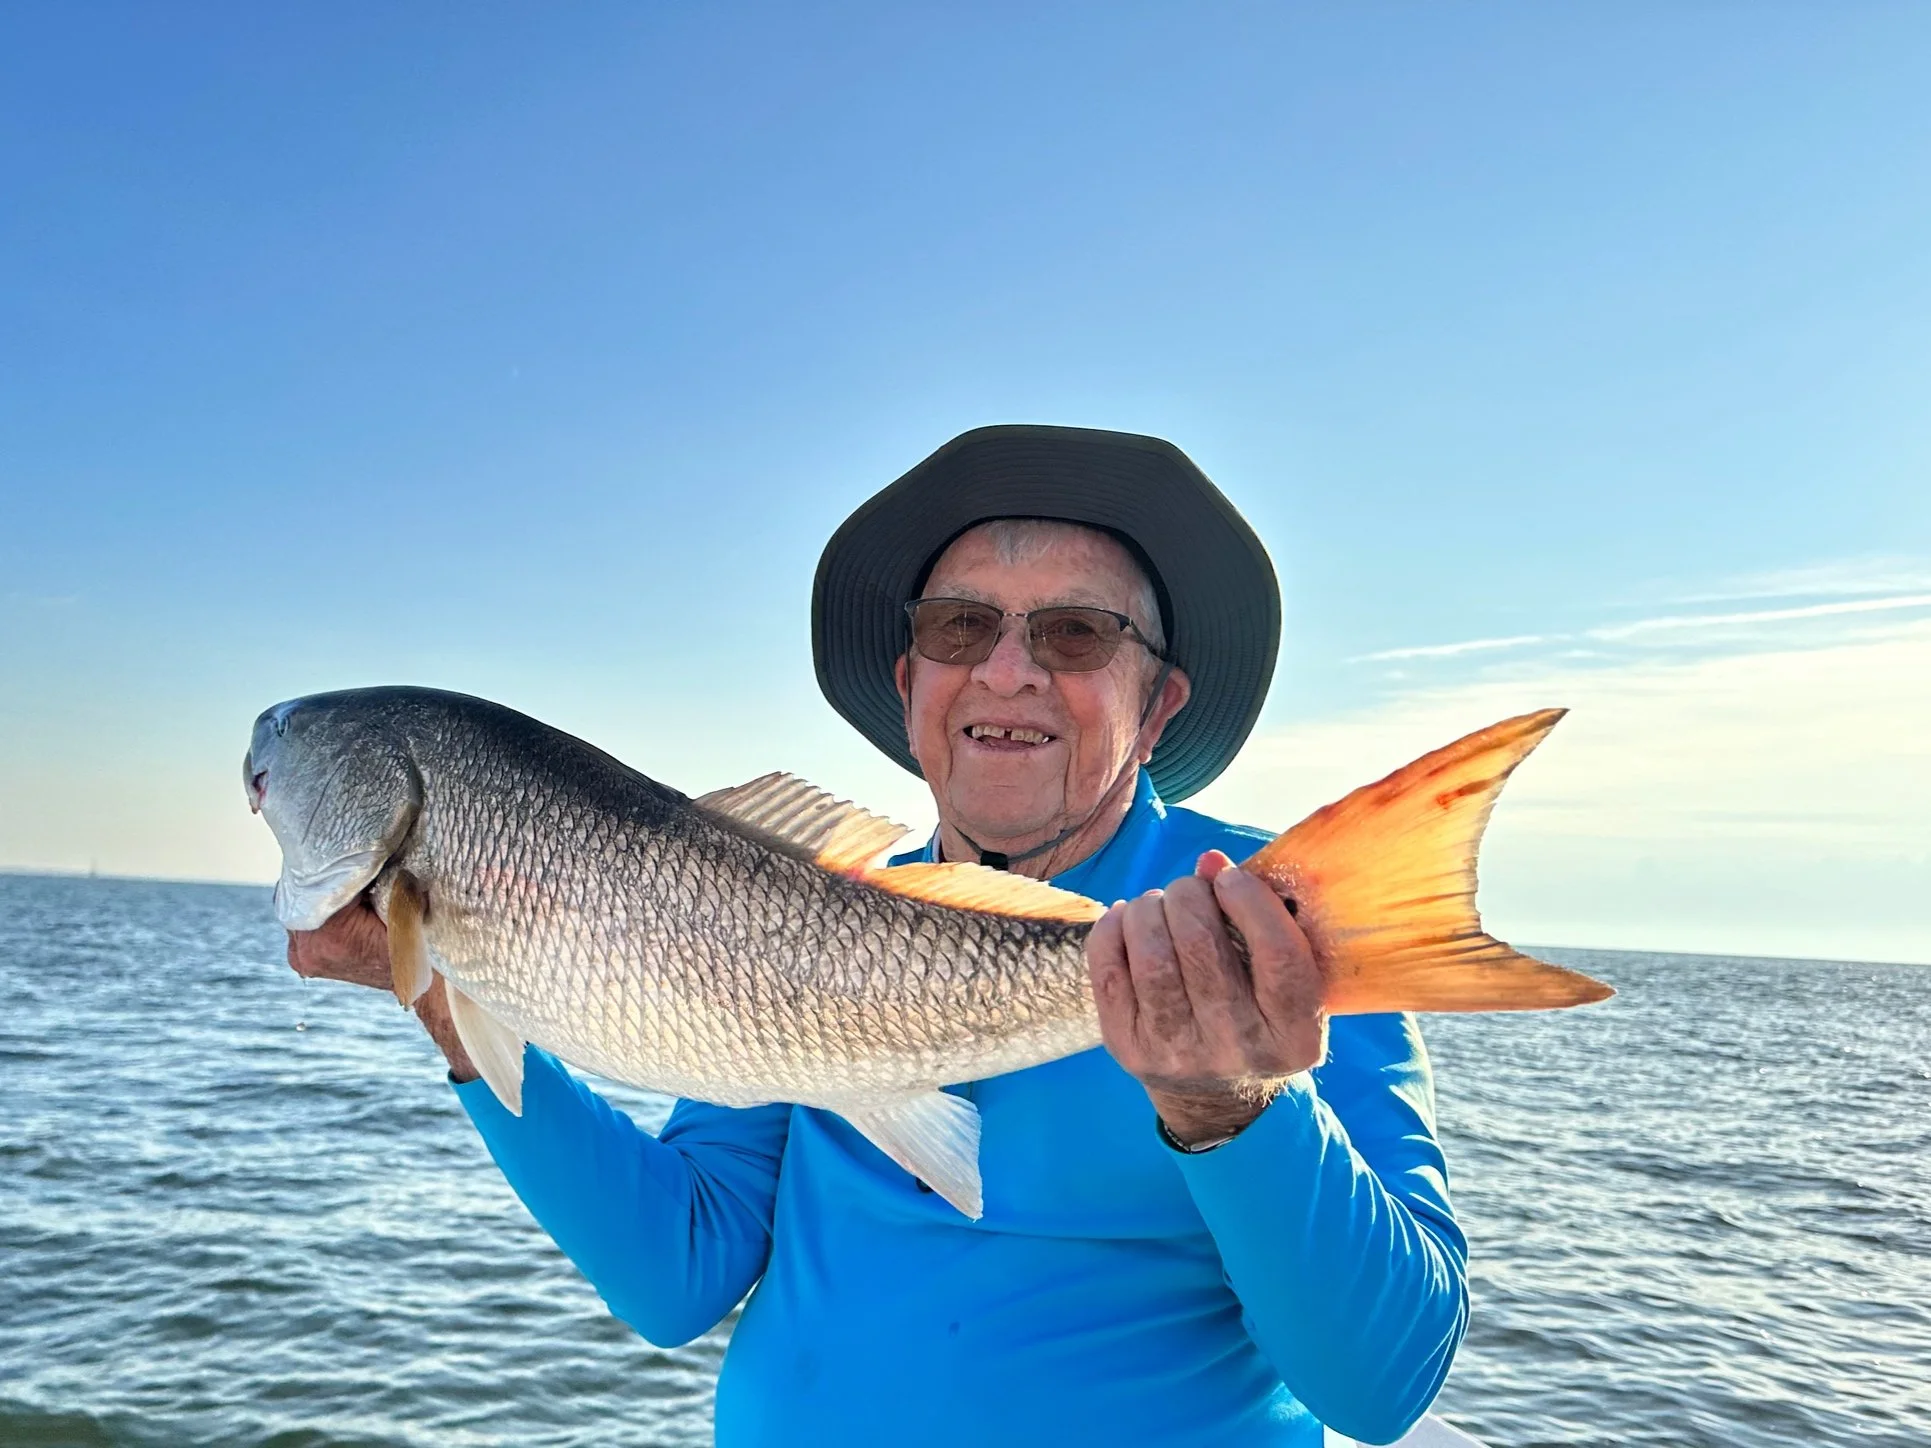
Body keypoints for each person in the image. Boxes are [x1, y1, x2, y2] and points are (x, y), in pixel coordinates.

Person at [289, 425, 1468, 1447]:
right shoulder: (786, 918)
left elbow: (1377, 1379)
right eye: (962, 627)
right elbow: (675, 1269)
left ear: (1158, 702)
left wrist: (1236, 1106)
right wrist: (440, 984)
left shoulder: (1262, 915)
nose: (1005, 670)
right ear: (910, 684)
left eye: (1070, 634)